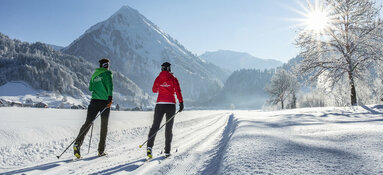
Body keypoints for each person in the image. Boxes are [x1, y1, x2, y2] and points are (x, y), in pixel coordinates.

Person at [73, 58, 113, 158]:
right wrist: (110, 98)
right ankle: (101, 151)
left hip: (93, 101)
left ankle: (77, 143)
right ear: (107, 65)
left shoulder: (95, 74)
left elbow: (90, 88)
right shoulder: (108, 73)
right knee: (104, 126)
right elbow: (110, 86)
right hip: (105, 103)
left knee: (88, 122)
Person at [147, 62, 184, 158]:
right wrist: (181, 102)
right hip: (171, 105)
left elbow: (154, 90)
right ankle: (167, 151)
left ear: (162, 69)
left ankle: (149, 147)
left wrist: (162, 88)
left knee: (155, 126)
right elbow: (178, 91)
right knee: (168, 128)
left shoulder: (158, 78)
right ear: (169, 69)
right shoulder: (173, 79)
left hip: (160, 104)